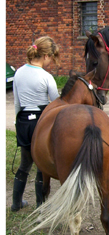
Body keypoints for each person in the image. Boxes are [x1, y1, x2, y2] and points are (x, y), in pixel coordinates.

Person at [11, 36, 60, 212]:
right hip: (41, 123)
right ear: (46, 56)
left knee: (25, 164)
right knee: (41, 166)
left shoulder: (18, 73)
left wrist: (19, 125)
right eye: (52, 58)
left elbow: (16, 103)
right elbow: (56, 103)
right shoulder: (46, 77)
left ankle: (16, 203)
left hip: (23, 120)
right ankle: (41, 206)